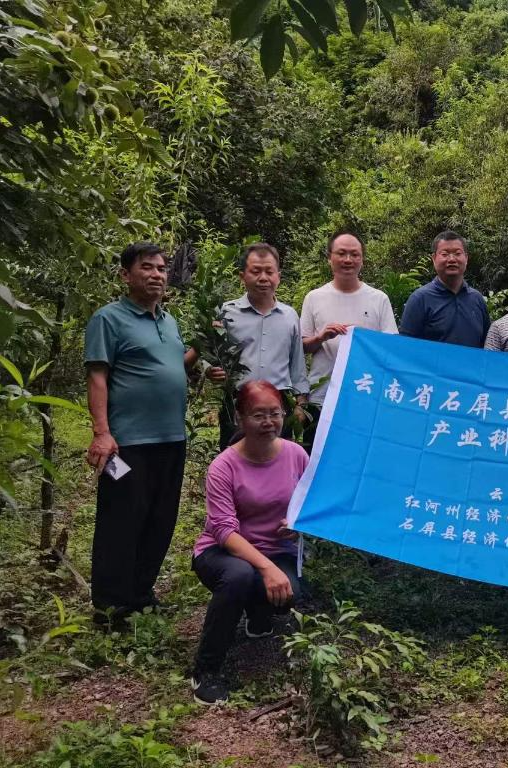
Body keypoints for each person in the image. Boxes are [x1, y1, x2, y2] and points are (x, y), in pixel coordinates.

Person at [84, 241, 198, 628]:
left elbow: (172, 366)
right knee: (120, 522)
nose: (156, 275)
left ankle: (141, 595)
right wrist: (101, 432)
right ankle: (111, 609)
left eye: (162, 269)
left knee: (159, 520)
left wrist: (202, 355)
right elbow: (97, 377)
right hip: (127, 442)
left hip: (172, 438)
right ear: (125, 274)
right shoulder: (108, 319)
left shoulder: (169, 321)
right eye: (147, 267)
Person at [189, 380, 309, 705]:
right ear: (240, 418)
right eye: (258, 415)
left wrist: (298, 525)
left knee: (290, 594)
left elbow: (311, 503)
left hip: (277, 550)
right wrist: (267, 568)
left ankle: (258, 614)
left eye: (275, 413)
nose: (269, 422)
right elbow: (224, 531)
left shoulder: (296, 454)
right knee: (239, 576)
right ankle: (205, 670)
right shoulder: (223, 466)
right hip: (222, 552)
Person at [211, 243, 311, 452]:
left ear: (278, 277)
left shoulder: (290, 315)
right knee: (235, 459)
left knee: (277, 461)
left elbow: (297, 361)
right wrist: (211, 369)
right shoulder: (226, 312)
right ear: (242, 276)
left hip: (278, 404)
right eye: (256, 271)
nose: (263, 278)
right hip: (238, 401)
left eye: (269, 272)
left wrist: (301, 402)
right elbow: (212, 353)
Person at [300, 231, 398, 443]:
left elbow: (392, 348)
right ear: (329, 257)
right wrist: (321, 337)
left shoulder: (379, 299)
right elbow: (301, 348)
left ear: (362, 259)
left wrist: (367, 341)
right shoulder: (314, 298)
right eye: (341, 253)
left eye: (354, 254)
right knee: (317, 455)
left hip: (366, 396)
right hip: (321, 398)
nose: (348, 259)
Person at [400, 231, 491, 347]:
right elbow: (406, 347)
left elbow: (487, 346)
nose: (452, 259)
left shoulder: (477, 299)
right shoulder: (419, 299)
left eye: (457, 253)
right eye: (445, 254)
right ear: (434, 259)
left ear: (466, 258)